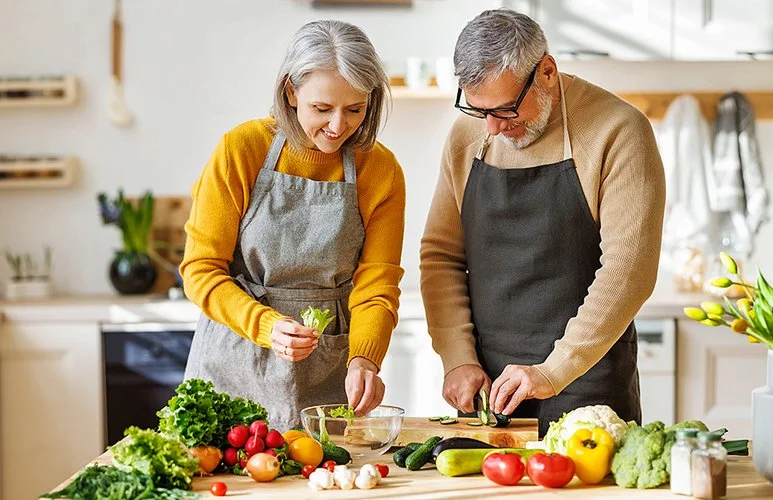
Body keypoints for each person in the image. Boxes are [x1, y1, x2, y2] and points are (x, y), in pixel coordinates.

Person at [420, 9, 665, 438]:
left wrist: (553, 371)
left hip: (588, 384)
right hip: (491, 392)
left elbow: (629, 271)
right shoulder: (467, 136)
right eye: (480, 111)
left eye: (506, 110)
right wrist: (458, 358)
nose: (493, 128)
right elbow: (441, 256)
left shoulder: (618, 131)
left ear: (547, 71)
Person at [181, 20, 405, 433]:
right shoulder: (242, 149)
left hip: (327, 370)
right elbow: (200, 272)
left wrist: (365, 359)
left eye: (355, 109)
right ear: (290, 91)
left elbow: (377, 284)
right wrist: (265, 325)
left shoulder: (381, 170)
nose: (338, 126)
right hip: (236, 356)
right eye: (322, 108)